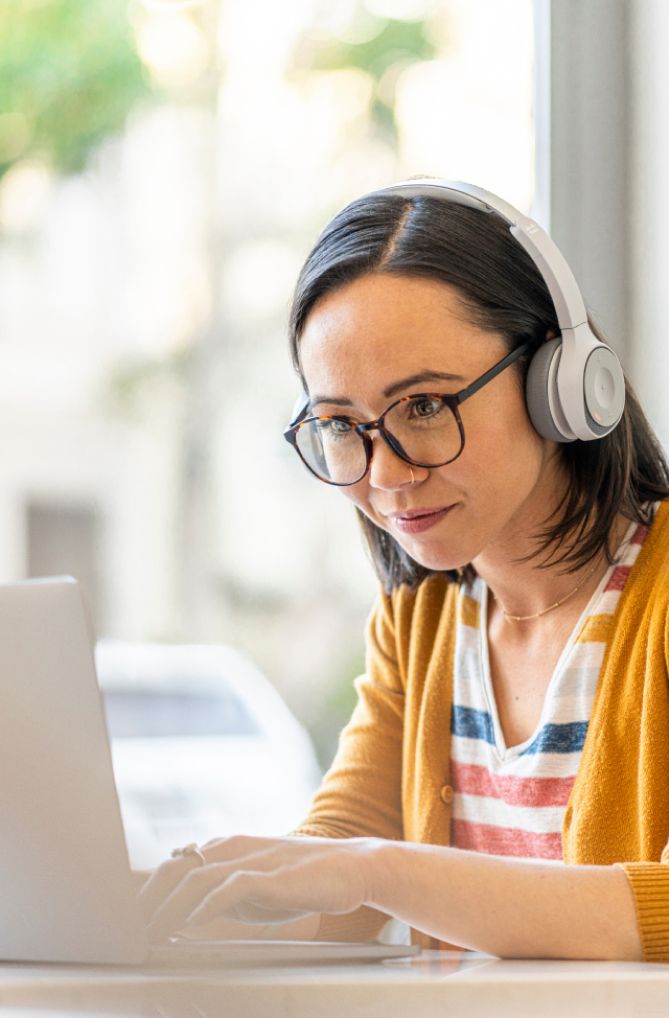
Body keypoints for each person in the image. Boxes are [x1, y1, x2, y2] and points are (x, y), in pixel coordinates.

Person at [139, 179, 669, 962]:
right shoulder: (418, 624)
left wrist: (376, 872)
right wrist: (166, 901)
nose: (383, 474)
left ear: (560, 381)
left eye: (422, 406)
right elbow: (338, 868)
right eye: (341, 425)